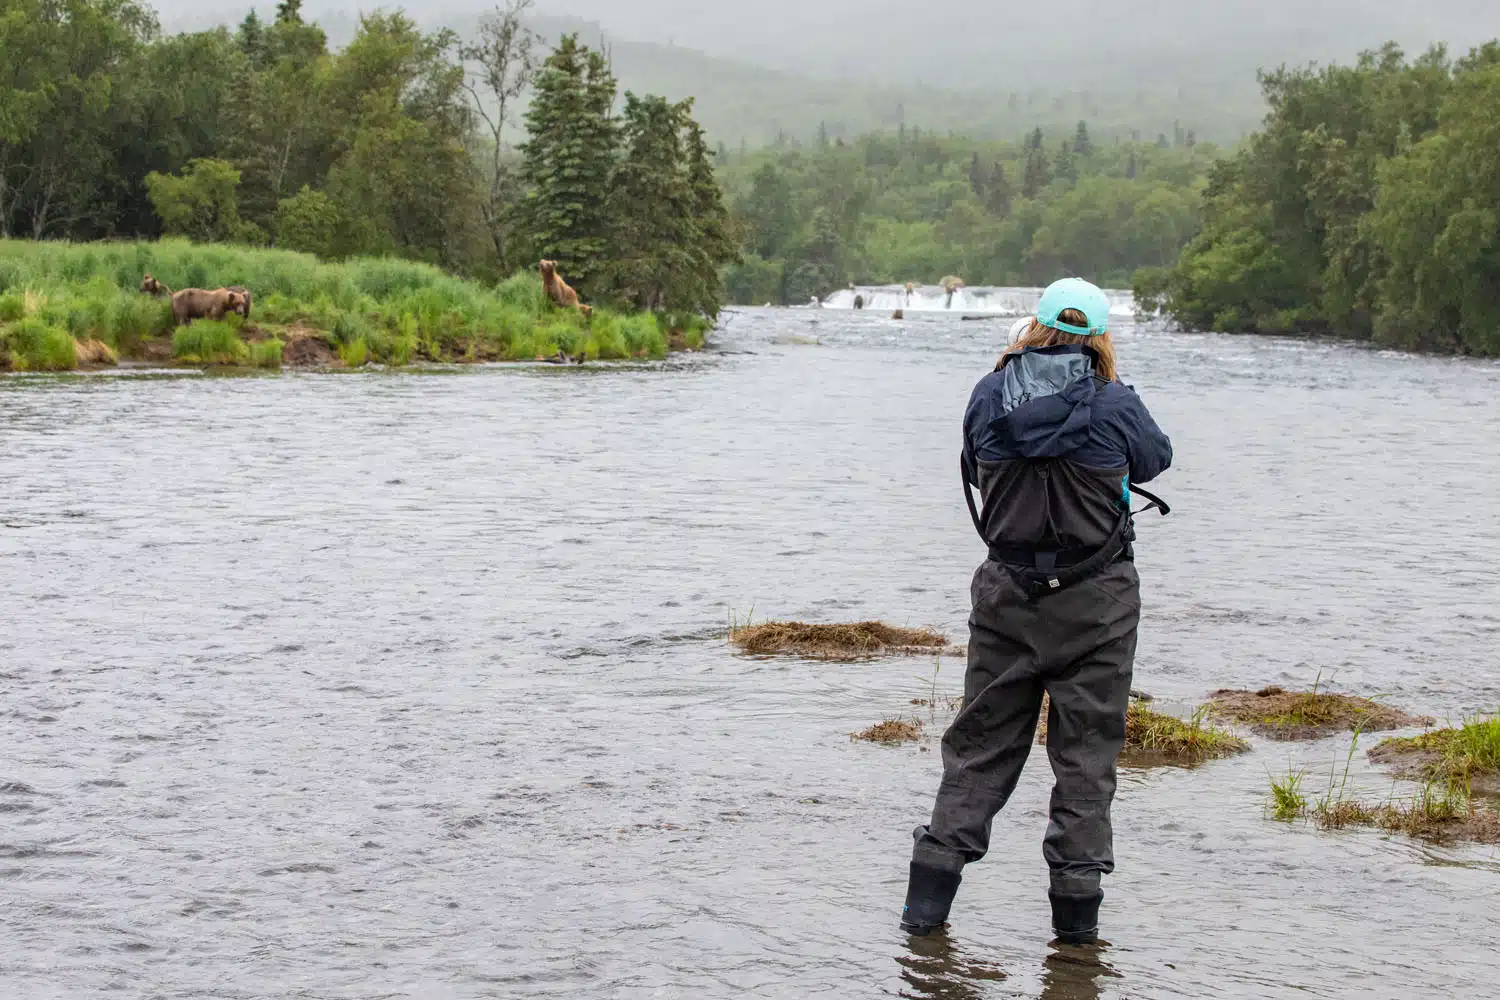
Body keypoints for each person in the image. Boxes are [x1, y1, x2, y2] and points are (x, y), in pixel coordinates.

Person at [900, 277, 1173, 945]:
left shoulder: (989, 395)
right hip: (1097, 605)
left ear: (1033, 327)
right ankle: (1077, 953)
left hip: (1007, 600)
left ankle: (920, 928)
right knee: (1086, 760)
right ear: (1099, 338)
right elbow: (1157, 459)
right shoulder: (1116, 404)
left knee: (978, 752)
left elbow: (972, 462)